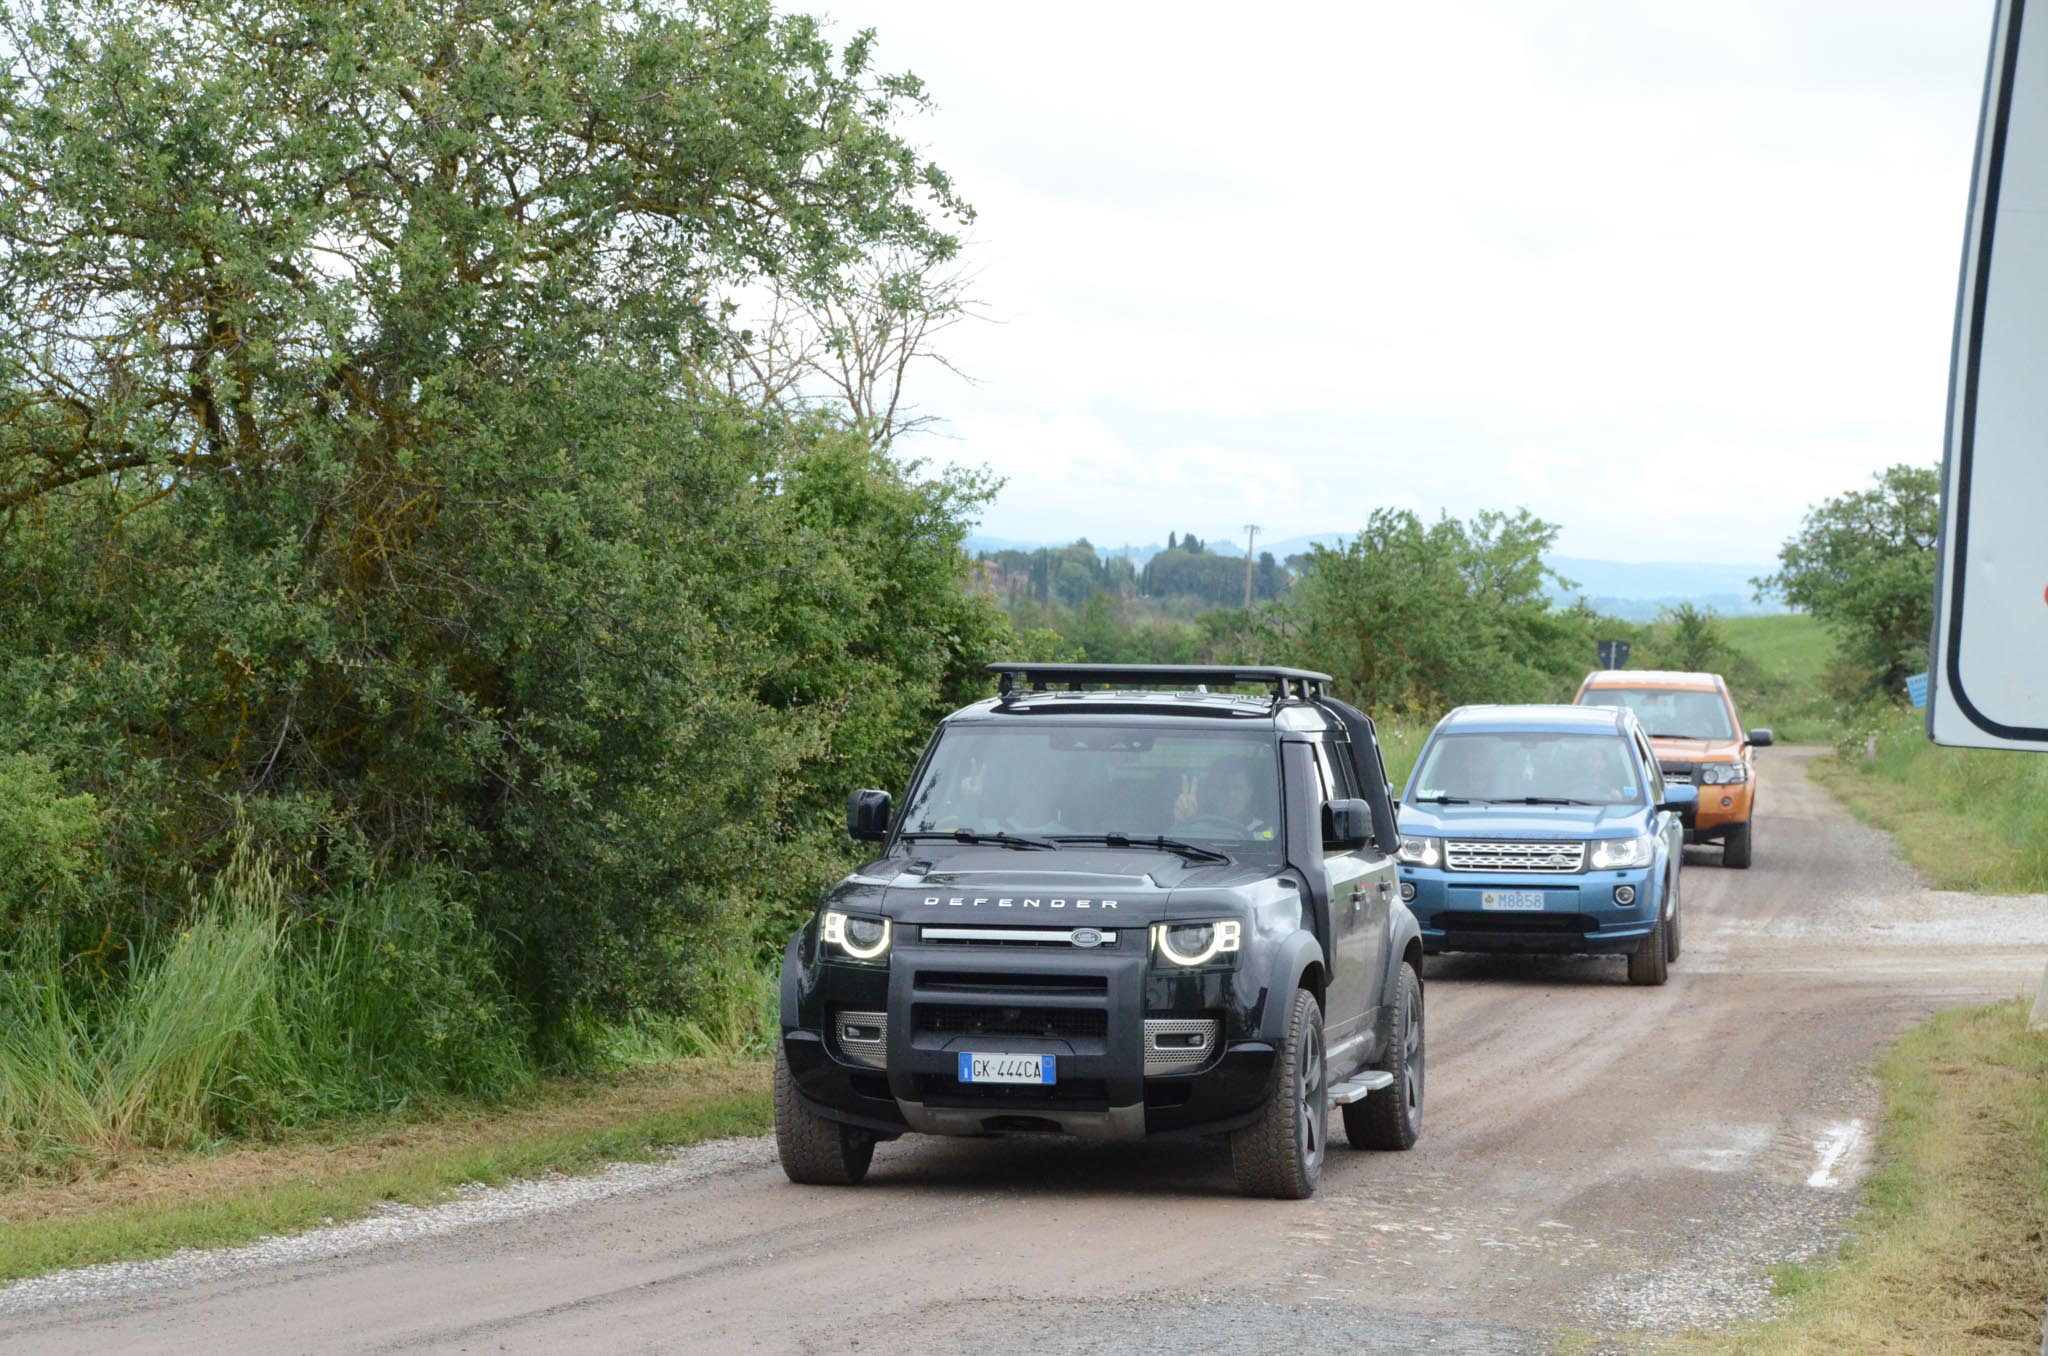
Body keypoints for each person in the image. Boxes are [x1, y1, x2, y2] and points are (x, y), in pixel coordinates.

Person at [1172, 755, 1274, 839]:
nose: (1230, 795)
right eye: (1222, 788)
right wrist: (1184, 823)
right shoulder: (1194, 826)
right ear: (1209, 792)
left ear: (1249, 792)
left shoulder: (1266, 832)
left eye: (1237, 788)